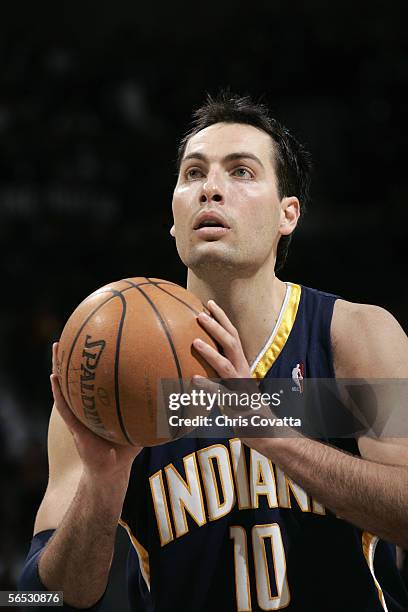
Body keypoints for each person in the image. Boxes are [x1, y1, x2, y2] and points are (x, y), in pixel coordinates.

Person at [19, 92, 408, 611]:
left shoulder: (355, 336)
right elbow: (38, 600)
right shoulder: (102, 374)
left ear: (287, 214)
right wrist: (103, 483)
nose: (211, 189)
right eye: (193, 173)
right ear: (173, 219)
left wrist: (275, 436)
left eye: (242, 172)